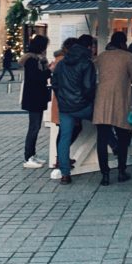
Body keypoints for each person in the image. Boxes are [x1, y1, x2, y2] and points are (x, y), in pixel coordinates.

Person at [92, 31, 132, 185]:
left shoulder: (102, 56)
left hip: (101, 101)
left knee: (102, 139)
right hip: (120, 101)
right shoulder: (128, 56)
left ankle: (104, 175)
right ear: (123, 43)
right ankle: (121, 171)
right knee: (123, 138)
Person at [51, 37, 97, 184]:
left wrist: (62, 98)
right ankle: (115, 146)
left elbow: (55, 84)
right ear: (89, 48)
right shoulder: (87, 63)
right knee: (101, 120)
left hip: (65, 107)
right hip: (82, 106)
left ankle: (65, 174)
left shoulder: (62, 63)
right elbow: (89, 87)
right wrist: (87, 100)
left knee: (64, 138)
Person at [19, 36, 51, 169]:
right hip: (34, 97)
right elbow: (35, 78)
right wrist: (49, 70)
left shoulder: (37, 59)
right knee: (34, 127)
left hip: (37, 97)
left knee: (36, 127)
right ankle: (28, 156)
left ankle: (32, 154)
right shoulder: (32, 60)